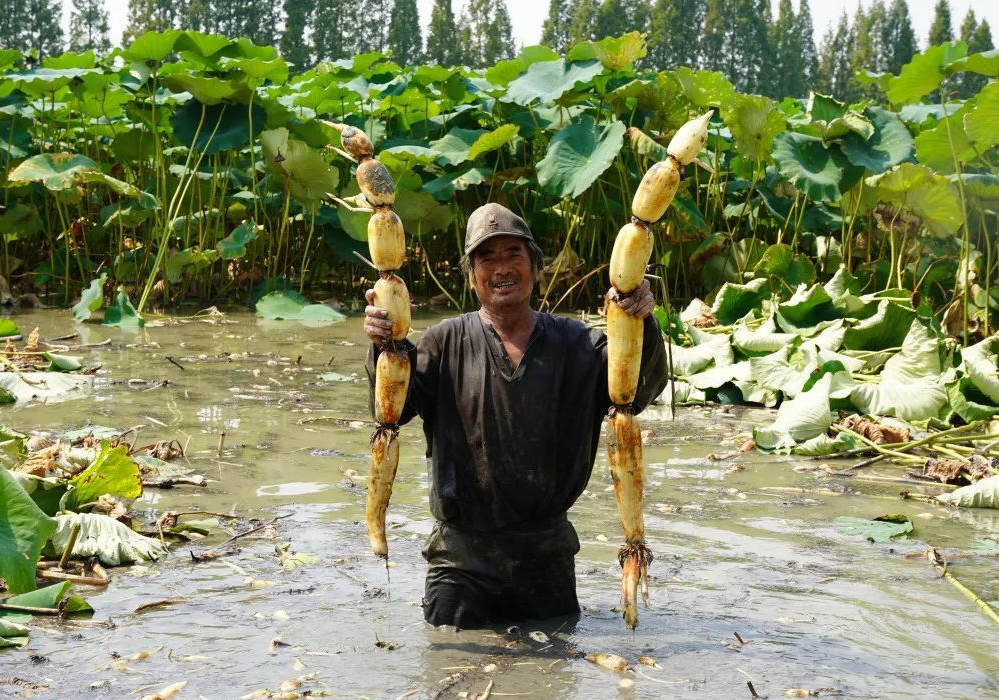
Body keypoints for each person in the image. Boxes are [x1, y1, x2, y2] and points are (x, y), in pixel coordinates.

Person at [364, 203, 667, 628]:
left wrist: (642, 323)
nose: (501, 267)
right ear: (472, 276)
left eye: (513, 255)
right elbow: (391, 411)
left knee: (554, 671)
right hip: (460, 560)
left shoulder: (578, 345)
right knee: (452, 669)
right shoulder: (442, 343)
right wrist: (385, 344)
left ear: (535, 267)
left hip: (546, 555)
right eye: (487, 258)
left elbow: (635, 396)